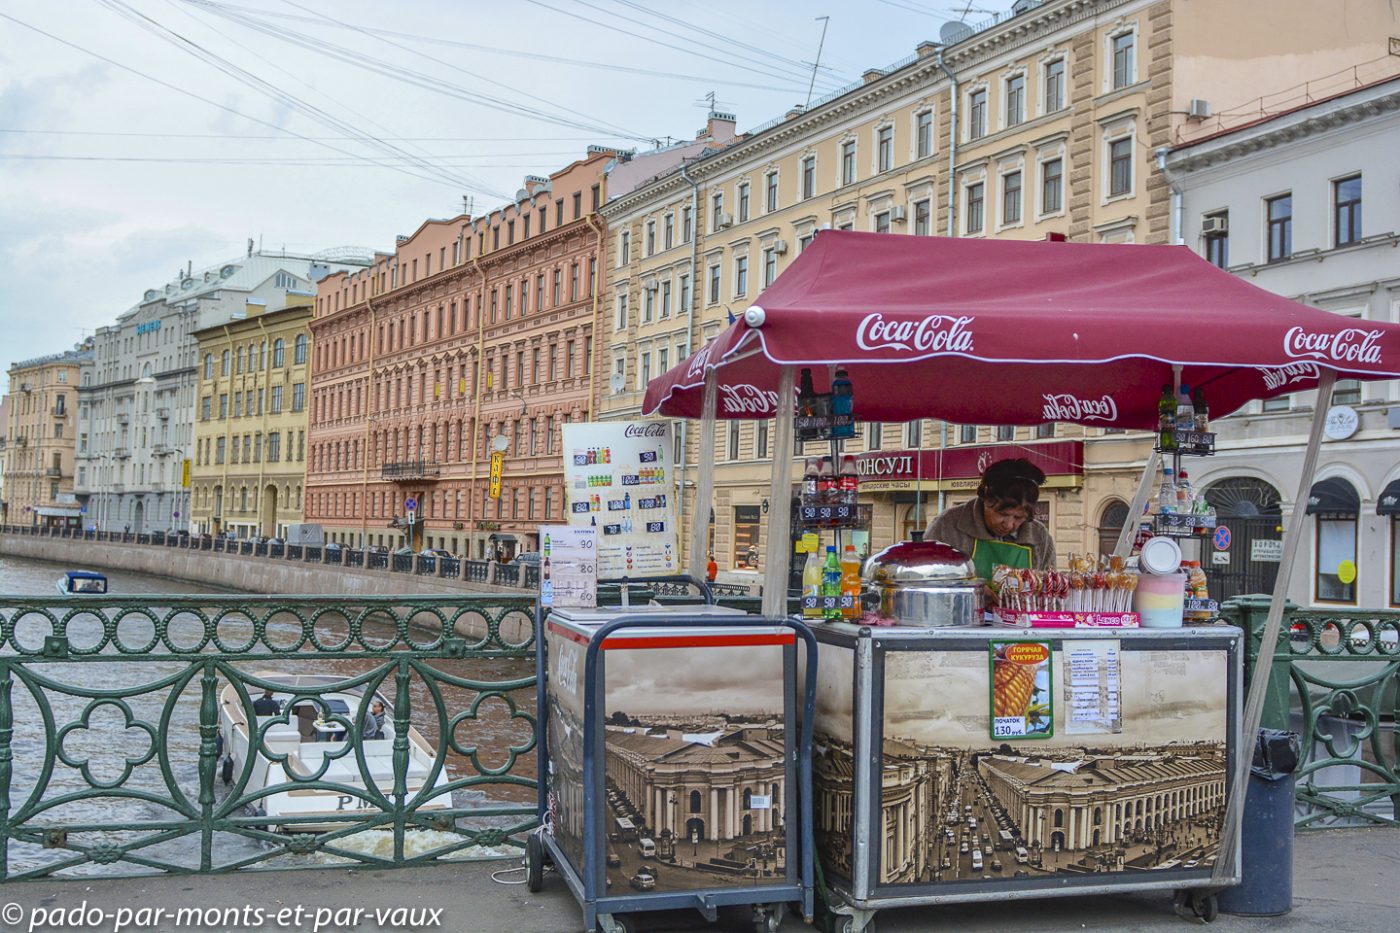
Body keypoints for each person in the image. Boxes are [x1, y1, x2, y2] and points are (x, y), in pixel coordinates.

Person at [925, 458, 1056, 583]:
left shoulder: (1040, 538)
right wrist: (969, 590)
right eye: (1003, 514)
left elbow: (1050, 593)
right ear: (986, 500)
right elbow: (926, 579)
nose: (1009, 524)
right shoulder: (947, 527)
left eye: (1018, 517)